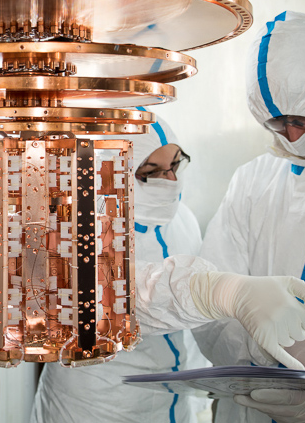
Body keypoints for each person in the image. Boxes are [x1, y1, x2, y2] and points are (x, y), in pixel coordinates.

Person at [194, 11, 305, 422]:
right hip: (250, 409)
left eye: (301, 120)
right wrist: (267, 345)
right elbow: (209, 306)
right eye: (278, 122)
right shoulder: (254, 181)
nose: (291, 137)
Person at [31, 115, 213, 423]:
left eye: (176, 165)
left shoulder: (183, 220)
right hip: (95, 404)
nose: (170, 182)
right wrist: (221, 293)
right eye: (150, 172)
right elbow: (119, 300)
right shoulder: (76, 226)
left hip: (174, 403)